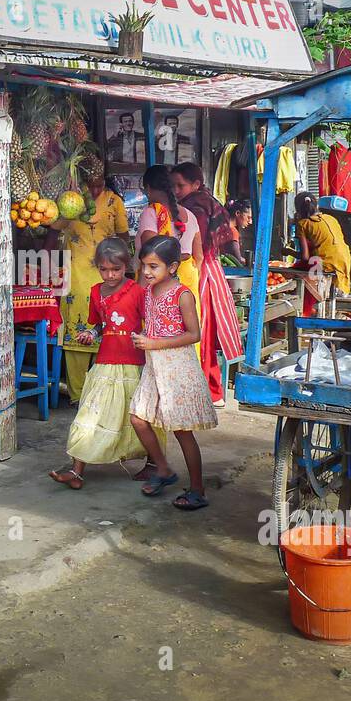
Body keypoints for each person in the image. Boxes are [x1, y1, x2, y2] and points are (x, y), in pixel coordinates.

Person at [49, 238, 149, 490]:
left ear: (127, 265)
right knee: (90, 413)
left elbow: (149, 323)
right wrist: (90, 334)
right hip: (104, 362)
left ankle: (154, 463)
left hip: (133, 363)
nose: (110, 275)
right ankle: (77, 469)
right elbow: (97, 325)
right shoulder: (95, 291)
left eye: (115, 269)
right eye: (104, 269)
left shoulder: (138, 292)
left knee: (141, 417)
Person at [129, 235, 219, 511]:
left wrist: (154, 342)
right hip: (155, 366)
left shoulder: (183, 295)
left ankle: (197, 489)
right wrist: (147, 337)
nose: (146, 272)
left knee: (182, 431)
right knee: (138, 418)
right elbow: (156, 324)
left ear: (172, 267)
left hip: (177, 367)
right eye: (144, 265)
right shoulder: (148, 292)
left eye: (153, 266)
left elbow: (194, 335)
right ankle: (165, 470)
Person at [53, 174, 130, 403]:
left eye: (100, 185)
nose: (95, 190)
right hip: (75, 275)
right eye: (91, 185)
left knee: (107, 329)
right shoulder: (71, 201)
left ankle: (102, 394)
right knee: (76, 332)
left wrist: (125, 266)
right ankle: (77, 395)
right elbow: (52, 229)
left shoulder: (113, 201)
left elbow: (124, 236)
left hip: (106, 273)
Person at [172, 161, 244, 405]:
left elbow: (196, 247)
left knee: (197, 331)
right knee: (206, 331)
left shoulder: (195, 208)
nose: (176, 191)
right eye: (173, 186)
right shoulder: (206, 202)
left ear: (196, 184)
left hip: (198, 270)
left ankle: (203, 392)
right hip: (211, 271)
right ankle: (213, 391)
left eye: (180, 185)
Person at [136, 164, 203, 328]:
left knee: (160, 331)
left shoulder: (151, 213)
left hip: (159, 280)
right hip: (188, 277)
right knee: (187, 328)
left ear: (148, 189)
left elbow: (153, 252)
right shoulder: (191, 215)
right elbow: (199, 257)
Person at [292, 191, 351, 316]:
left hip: (327, 263)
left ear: (298, 210)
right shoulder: (331, 218)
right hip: (345, 261)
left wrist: (288, 252)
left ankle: (303, 311)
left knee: (295, 272)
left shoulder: (303, 224)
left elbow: (305, 257)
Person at [227, 198, 253, 266]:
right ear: (237, 213)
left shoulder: (223, 226)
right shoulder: (233, 232)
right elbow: (237, 259)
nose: (250, 222)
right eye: (248, 217)